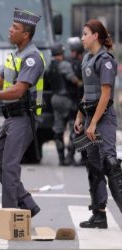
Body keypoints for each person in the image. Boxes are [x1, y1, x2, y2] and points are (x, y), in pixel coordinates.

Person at [0, 8, 43, 216]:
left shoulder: (32, 58)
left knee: (9, 167)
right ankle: (28, 204)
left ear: (25, 34)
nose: (9, 30)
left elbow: (18, 90)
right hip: (10, 118)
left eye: (15, 28)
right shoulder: (13, 56)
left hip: (23, 118)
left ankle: (10, 214)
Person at [74, 19, 119, 229]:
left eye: (85, 34)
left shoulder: (105, 60)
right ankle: (99, 214)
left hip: (104, 119)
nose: (82, 38)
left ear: (95, 36)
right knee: (93, 166)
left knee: (110, 163)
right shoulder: (87, 60)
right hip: (90, 117)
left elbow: (105, 94)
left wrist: (94, 124)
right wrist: (80, 117)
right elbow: (87, 93)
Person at [46, 42, 81, 166]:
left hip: (54, 99)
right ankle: (69, 157)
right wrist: (81, 83)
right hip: (67, 100)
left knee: (58, 129)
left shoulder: (50, 66)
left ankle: (61, 158)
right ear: (61, 53)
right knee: (73, 128)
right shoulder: (65, 65)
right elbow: (74, 80)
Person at [68, 36, 87, 166]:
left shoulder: (84, 62)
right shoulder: (70, 63)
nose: (71, 53)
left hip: (83, 100)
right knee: (76, 130)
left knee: (83, 130)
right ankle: (71, 156)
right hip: (74, 101)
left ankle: (82, 157)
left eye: (73, 51)